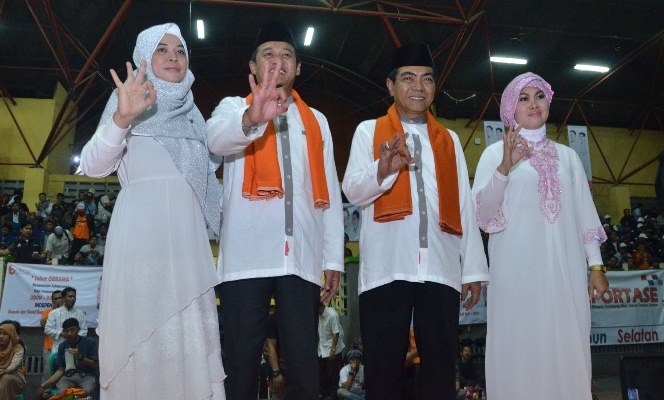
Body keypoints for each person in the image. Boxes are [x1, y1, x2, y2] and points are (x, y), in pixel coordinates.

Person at [80, 23, 225, 399]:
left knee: (186, 337)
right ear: (144, 56)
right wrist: (122, 120)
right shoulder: (127, 100)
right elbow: (95, 166)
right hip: (139, 243)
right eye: (161, 49)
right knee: (140, 339)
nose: (173, 57)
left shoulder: (195, 117)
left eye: (180, 50)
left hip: (188, 247)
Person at [342, 43, 489, 400]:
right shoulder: (368, 131)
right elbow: (353, 191)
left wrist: (472, 270)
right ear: (391, 86)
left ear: (434, 88)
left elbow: (464, 206)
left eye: (426, 79)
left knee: (440, 373)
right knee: (383, 372)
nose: (418, 87)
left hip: (440, 269)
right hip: (386, 269)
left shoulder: (449, 140)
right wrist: (384, 169)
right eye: (408, 78)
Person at [206, 21, 344, 400]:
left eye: (287, 55)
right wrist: (253, 118)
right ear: (253, 67)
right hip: (245, 259)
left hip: (300, 259)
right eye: (268, 54)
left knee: (302, 364)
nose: (278, 61)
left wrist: (332, 257)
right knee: (239, 362)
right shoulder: (234, 108)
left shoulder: (317, 121)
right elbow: (214, 141)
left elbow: (329, 190)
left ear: (298, 68)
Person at [472, 72, 609, 400]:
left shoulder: (569, 157)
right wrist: (505, 168)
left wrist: (597, 266)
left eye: (539, 96)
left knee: (568, 342)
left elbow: (585, 215)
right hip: (516, 275)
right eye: (523, 97)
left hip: (565, 272)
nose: (533, 103)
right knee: (519, 346)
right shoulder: (493, 154)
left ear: (549, 101)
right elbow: (482, 214)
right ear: (510, 108)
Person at [37, 318, 98, 398]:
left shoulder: (90, 343)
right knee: (62, 393)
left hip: (87, 375)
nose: (69, 333)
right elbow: (60, 370)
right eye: (66, 331)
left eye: (72, 330)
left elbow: (95, 365)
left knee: (86, 391)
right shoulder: (63, 346)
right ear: (63, 332)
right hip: (68, 376)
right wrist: (43, 385)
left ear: (78, 329)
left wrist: (80, 357)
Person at [45, 287, 88, 353]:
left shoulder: (80, 313)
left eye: (74, 297)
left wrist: (74, 335)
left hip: (75, 349)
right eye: (70, 296)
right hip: (58, 348)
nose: (73, 299)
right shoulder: (54, 313)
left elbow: (84, 330)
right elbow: (47, 330)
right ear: (63, 298)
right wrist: (61, 333)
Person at [318, 304, 345, 399]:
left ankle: (332, 396)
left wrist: (333, 350)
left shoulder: (332, 315)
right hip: (322, 348)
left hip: (333, 348)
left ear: (321, 306)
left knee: (333, 375)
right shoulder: (317, 315)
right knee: (322, 373)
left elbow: (336, 333)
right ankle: (323, 394)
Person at [40, 290, 63, 383]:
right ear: (52, 300)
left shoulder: (68, 312)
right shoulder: (47, 312)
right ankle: (46, 394)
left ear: (63, 299)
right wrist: (54, 311)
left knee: (63, 373)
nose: (57, 300)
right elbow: (42, 324)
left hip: (64, 347)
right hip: (49, 347)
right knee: (47, 373)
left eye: (60, 298)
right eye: (55, 298)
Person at [0, 323, 25, 400]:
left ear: (11, 336)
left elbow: (13, 366)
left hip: (14, 377)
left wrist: (3, 371)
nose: (1, 336)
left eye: (5, 334)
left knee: (6, 379)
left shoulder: (18, 348)